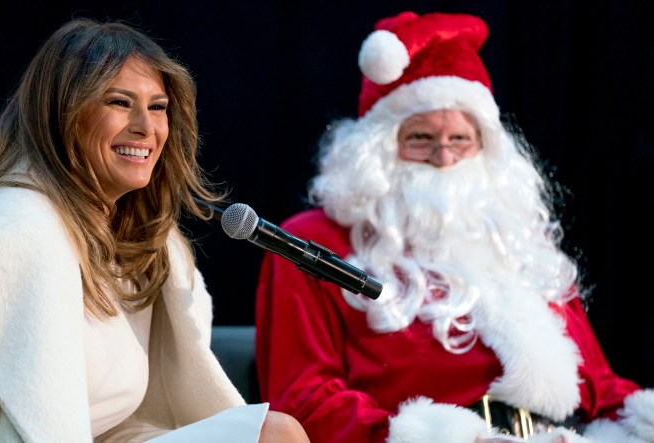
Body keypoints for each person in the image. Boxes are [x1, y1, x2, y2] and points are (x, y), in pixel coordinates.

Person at [0, 17, 309, 443]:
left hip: (117, 435)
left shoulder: (139, 236)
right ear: (64, 114)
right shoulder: (13, 233)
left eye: (158, 106)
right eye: (120, 103)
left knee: (275, 433)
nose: (146, 126)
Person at [255, 11, 654, 443]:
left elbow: (601, 388)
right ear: (377, 151)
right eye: (421, 138)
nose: (444, 158)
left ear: (486, 148)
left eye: (460, 140)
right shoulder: (312, 242)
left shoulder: (521, 240)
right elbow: (303, 400)